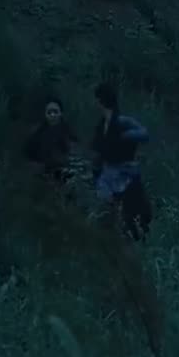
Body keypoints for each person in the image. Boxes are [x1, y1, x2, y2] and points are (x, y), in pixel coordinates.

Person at [90, 83, 153, 241]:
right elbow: (98, 149)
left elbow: (144, 134)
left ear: (101, 100)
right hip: (108, 174)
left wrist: (125, 137)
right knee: (107, 213)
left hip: (126, 173)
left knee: (132, 213)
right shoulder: (101, 124)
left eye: (97, 99)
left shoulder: (121, 121)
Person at [22, 96, 76, 188]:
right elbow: (28, 155)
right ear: (45, 114)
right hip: (43, 177)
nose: (52, 115)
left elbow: (74, 155)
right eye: (49, 112)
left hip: (64, 176)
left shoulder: (68, 132)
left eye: (55, 112)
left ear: (61, 113)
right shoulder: (38, 133)